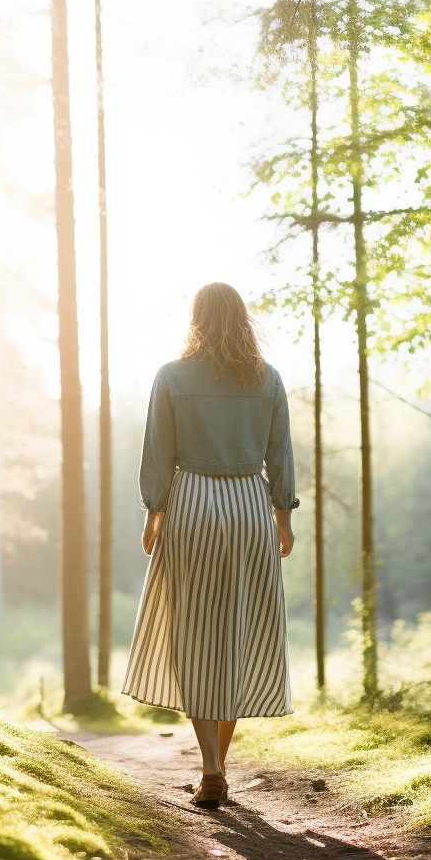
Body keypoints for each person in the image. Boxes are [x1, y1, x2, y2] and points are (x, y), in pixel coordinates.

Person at [121, 281, 298, 810]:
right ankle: (220, 763)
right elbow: (280, 456)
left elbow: (159, 452)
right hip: (249, 505)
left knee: (194, 634)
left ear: (197, 319)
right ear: (243, 321)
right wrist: (283, 519)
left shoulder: (172, 378)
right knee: (238, 631)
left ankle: (211, 769)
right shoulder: (267, 380)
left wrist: (154, 512)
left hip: (192, 504)